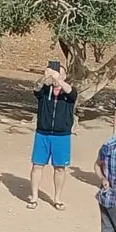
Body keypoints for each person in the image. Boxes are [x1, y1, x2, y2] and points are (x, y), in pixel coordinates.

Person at [28, 63, 75, 211]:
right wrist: (45, 77)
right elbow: (36, 88)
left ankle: (57, 198)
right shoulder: (45, 90)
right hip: (42, 133)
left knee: (60, 168)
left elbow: (71, 92)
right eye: (53, 72)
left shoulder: (69, 93)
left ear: (64, 76)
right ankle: (34, 197)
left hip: (62, 136)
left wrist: (58, 80)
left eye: (58, 73)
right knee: (37, 165)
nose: (55, 75)